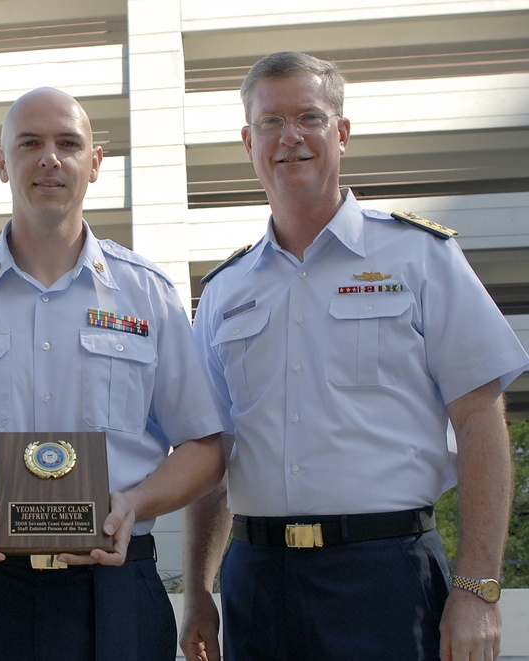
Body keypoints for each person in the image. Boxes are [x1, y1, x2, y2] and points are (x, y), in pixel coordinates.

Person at [180, 51, 529, 661]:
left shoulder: (420, 257)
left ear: (340, 133)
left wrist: (479, 588)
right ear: (248, 140)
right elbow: (213, 449)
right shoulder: (225, 291)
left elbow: (479, 417)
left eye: (309, 117)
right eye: (270, 122)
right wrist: (200, 590)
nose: (290, 137)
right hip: (257, 581)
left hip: (386, 577)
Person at [0, 87, 225, 660]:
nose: (49, 159)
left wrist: (134, 503)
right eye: (29, 143)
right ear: (2, 163)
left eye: (68, 143)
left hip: (117, 590)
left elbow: (205, 448)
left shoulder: (147, 295)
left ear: (96, 163)